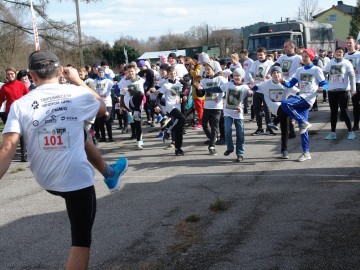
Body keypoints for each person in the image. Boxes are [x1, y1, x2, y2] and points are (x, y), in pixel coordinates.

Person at [0, 50, 128, 269]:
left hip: (46, 179)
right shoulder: (78, 93)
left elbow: (9, 146)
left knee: (76, 129)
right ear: (60, 71)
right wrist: (78, 80)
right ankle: (108, 173)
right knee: (81, 242)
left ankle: (109, 172)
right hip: (76, 181)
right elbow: (103, 109)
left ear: (31, 75)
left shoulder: (21, 104)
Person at [281, 48, 328, 162]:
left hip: (308, 98)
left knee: (285, 104)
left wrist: (323, 88)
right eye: (303, 56)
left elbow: (324, 83)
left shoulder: (316, 69)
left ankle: (302, 121)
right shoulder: (299, 70)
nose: (304, 58)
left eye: (306, 56)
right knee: (303, 129)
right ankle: (306, 153)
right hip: (301, 96)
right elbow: (290, 84)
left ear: (311, 57)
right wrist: (283, 82)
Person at [252, 66, 299, 159]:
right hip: (273, 106)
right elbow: (255, 88)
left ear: (281, 74)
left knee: (285, 128)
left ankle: (284, 150)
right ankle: (274, 121)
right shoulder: (266, 84)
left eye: (278, 73)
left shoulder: (285, 84)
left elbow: (297, 92)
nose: (276, 75)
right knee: (285, 108)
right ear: (271, 75)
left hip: (284, 108)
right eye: (273, 73)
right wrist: (248, 86)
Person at [323, 47, 356, 140]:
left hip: (343, 90)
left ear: (343, 53)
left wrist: (353, 90)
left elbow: (352, 76)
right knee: (333, 112)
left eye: (341, 52)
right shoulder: (330, 62)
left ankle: (350, 132)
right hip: (332, 91)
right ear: (334, 53)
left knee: (344, 111)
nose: (338, 53)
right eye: (337, 52)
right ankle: (332, 133)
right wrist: (323, 85)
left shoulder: (347, 62)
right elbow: (323, 73)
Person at [196, 61, 228, 155]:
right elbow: (201, 94)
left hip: (217, 107)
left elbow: (226, 88)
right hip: (207, 106)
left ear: (213, 69)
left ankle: (212, 146)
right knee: (204, 125)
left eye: (208, 69)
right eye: (205, 70)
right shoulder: (204, 80)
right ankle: (213, 138)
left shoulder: (220, 79)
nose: (207, 71)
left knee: (214, 126)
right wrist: (198, 89)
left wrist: (224, 96)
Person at [154, 66, 186, 155]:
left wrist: (182, 97)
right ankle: (168, 131)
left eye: (174, 74)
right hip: (170, 106)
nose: (173, 75)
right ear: (168, 75)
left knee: (179, 129)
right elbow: (158, 97)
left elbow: (180, 94)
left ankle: (178, 148)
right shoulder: (165, 85)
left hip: (177, 106)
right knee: (182, 118)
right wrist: (157, 106)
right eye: (171, 74)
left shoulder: (179, 84)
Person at [0, 67, 29, 162]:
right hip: (10, 112)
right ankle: (9, 154)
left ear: (15, 74)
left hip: (22, 111)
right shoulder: (4, 87)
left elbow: (28, 96)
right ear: (6, 75)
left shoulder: (21, 84)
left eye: (11, 74)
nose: (10, 76)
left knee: (23, 133)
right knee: (12, 133)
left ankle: (23, 155)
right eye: (8, 74)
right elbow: (0, 99)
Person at [120, 63, 145, 150]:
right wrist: (121, 107)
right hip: (129, 102)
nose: (131, 73)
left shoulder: (141, 81)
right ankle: (136, 112)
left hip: (138, 105)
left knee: (138, 123)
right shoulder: (124, 82)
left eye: (132, 71)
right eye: (129, 72)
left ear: (135, 72)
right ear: (126, 73)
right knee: (139, 94)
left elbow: (143, 94)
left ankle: (139, 142)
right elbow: (122, 95)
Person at [249, 47, 274, 135]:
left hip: (266, 89)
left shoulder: (270, 63)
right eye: (258, 55)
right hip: (257, 88)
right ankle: (259, 128)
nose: (259, 56)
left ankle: (269, 128)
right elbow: (250, 73)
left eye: (261, 55)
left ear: (265, 54)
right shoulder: (255, 63)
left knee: (267, 109)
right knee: (257, 108)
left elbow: (275, 73)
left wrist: (269, 77)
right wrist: (251, 79)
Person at [93, 67, 114, 142]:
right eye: (99, 72)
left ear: (104, 73)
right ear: (97, 73)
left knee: (107, 119)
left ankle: (110, 136)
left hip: (107, 102)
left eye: (102, 72)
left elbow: (113, 84)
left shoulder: (108, 80)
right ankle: (103, 137)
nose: (101, 74)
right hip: (99, 102)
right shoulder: (95, 81)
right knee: (100, 120)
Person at [344, 36, 360, 131]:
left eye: (350, 42)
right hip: (350, 83)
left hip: (359, 81)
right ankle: (356, 124)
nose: (349, 44)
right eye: (347, 43)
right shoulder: (345, 56)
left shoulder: (359, 54)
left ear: (354, 43)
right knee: (355, 104)